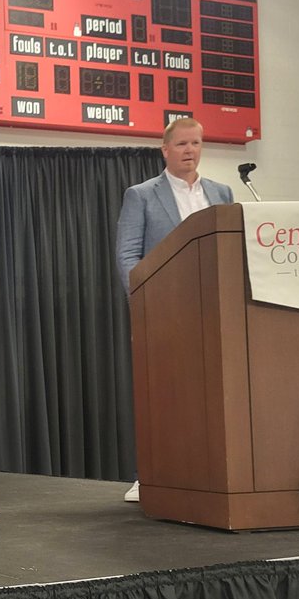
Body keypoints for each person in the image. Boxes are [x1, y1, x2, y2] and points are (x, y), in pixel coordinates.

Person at [115, 117, 234, 502]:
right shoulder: (143, 194)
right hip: (164, 313)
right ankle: (147, 475)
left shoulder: (221, 192)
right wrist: (143, 303)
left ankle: (208, 473)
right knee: (161, 395)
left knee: (213, 396)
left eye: (196, 143)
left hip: (215, 312)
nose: (189, 151)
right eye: (181, 144)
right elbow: (128, 254)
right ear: (165, 150)